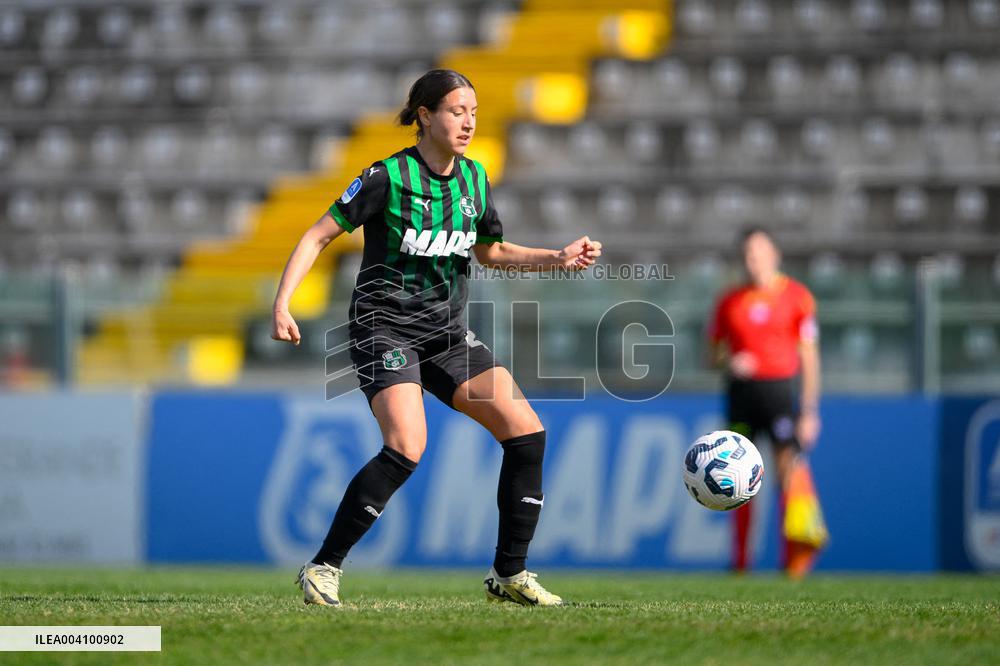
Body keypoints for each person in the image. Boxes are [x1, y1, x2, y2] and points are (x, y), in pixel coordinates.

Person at [271, 69, 602, 607]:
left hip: (445, 335)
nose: (468, 122)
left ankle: (509, 574)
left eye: (473, 112)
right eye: (456, 111)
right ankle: (323, 567)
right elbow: (317, 235)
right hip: (383, 328)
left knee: (527, 434)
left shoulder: (474, 179)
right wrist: (283, 303)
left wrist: (556, 257)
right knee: (407, 445)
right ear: (424, 116)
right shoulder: (387, 177)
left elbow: (491, 251)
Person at [708, 227, 825, 577]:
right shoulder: (729, 301)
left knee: (787, 472)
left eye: (758, 253)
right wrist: (730, 360)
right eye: (747, 254)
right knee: (737, 479)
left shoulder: (797, 297)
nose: (753, 260)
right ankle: (740, 563)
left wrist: (809, 410)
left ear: (775, 255)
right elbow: (711, 355)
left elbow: (809, 357)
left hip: (779, 393)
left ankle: (793, 561)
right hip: (741, 394)